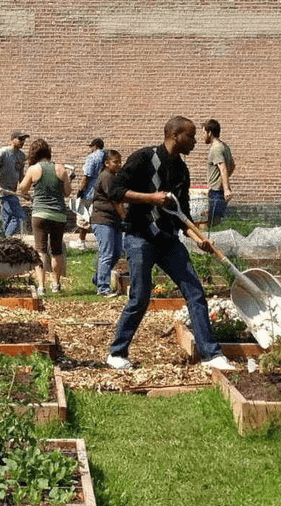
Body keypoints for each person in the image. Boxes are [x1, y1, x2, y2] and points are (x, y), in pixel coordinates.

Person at [104, 117, 233, 371]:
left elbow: (183, 215)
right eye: (191, 136)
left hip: (168, 241)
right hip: (140, 237)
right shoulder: (143, 158)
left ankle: (211, 355)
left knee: (195, 292)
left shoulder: (182, 171)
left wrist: (199, 239)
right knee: (140, 297)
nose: (195, 142)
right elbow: (116, 191)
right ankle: (117, 353)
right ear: (175, 135)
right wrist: (151, 198)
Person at [17, 138, 72, 295]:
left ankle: (41, 286)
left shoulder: (34, 169)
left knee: (40, 250)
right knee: (56, 251)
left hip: (40, 214)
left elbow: (23, 189)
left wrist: (26, 191)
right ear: (48, 153)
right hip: (58, 214)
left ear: (34, 154)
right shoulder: (61, 169)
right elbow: (67, 193)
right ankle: (56, 284)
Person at [90, 149, 124, 297]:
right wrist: (124, 216)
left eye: (120, 162)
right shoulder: (106, 177)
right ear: (107, 163)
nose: (119, 165)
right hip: (102, 220)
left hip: (113, 221)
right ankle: (103, 288)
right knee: (107, 253)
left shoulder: (113, 176)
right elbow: (115, 199)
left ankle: (98, 278)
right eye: (116, 162)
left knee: (116, 253)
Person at [0, 130, 29, 237]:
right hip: (4, 192)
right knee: (19, 216)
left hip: (13, 192)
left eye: (24, 139)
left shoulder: (21, 156)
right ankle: (6, 240)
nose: (22, 141)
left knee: (7, 220)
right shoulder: (4, 153)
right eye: (20, 139)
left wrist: (24, 191)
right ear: (12, 140)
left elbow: (21, 176)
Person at [69, 138, 106, 249]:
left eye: (91, 146)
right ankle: (102, 243)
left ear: (95, 146)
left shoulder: (92, 157)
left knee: (83, 217)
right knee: (101, 217)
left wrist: (80, 190)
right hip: (104, 192)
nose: (90, 149)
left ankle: (81, 241)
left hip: (90, 192)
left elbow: (87, 177)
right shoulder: (108, 156)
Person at [203, 118, 235, 228]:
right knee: (215, 223)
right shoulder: (224, 146)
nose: (203, 136)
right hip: (218, 191)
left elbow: (223, 168)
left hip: (216, 192)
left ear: (210, 132)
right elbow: (232, 166)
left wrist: (225, 188)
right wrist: (222, 181)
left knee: (209, 224)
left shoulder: (216, 148)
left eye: (204, 132)